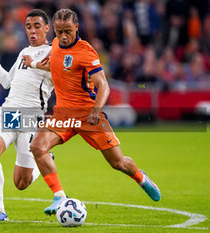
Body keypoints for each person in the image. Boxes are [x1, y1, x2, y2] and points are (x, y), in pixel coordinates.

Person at [29, 9, 161, 216]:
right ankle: (59, 197)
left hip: (88, 115)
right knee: (37, 146)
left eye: (68, 31)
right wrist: (34, 64)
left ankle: (141, 178)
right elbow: (57, 68)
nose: (63, 36)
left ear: (77, 28)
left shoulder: (86, 52)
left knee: (117, 162)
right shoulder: (55, 44)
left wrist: (95, 111)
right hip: (63, 115)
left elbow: (104, 85)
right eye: (59, 31)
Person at [0, 9, 53, 222]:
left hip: (31, 118)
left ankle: (40, 163)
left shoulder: (55, 52)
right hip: (10, 112)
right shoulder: (23, 52)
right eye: (28, 27)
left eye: (37, 26)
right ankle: (0, 211)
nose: (32, 31)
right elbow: (6, 82)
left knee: (21, 183)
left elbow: (60, 74)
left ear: (47, 28)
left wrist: (35, 64)